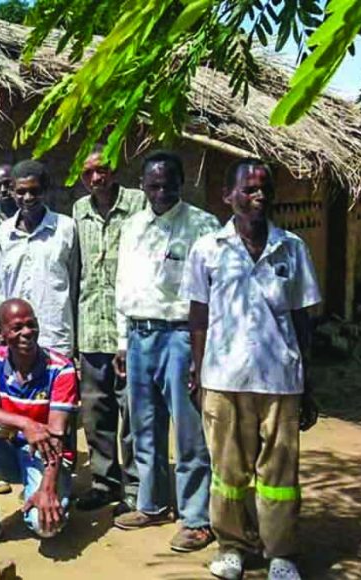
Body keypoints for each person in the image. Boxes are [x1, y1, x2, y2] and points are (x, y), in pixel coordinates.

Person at [182, 159, 321, 580]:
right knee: (228, 472)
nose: (259, 196)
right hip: (224, 378)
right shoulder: (207, 250)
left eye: (265, 189)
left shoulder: (292, 248)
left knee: (279, 474)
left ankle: (280, 552)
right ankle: (232, 546)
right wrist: (199, 372)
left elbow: (301, 319)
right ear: (229, 196)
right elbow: (198, 318)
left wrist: (307, 382)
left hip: (280, 379)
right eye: (248, 189)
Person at [112, 151, 218, 552]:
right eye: (152, 185)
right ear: (142, 185)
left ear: (181, 182)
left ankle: (196, 517)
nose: (160, 192)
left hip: (180, 337)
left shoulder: (202, 226)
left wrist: (200, 352)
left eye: (167, 184)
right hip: (139, 336)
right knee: (144, 427)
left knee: (189, 432)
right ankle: (152, 504)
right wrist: (124, 341)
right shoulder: (133, 226)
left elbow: (210, 297)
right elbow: (124, 285)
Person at [0, 299, 79, 556]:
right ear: (1, 334)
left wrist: (47, 489)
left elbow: (56, 437)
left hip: (47, 457)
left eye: (31, 325)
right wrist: (27, 424)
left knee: (46, 526)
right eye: (17, 328)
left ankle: (48, 489)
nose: (26, 333)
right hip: (10, 450)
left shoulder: (61, 368)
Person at [71, 145, 144, 512]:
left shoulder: (139, 205)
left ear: (114, 170)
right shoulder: (79, 210)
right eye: (88, 173)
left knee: (131, 410)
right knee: (95, 412)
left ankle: (134, 484)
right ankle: (103, 481)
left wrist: (127, 337)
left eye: (102, 170)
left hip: (128, 331)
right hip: (89, 329)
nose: (96, 178)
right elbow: (76, 272)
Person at [0, 160, 79, 357]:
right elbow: (1, 287)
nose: (28, 197)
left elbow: (75, 285)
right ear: (12, 191)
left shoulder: (65, 228)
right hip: (16, 339)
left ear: (45, 190)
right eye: (21, 192)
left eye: (35, 191)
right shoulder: (3, 232)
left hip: (55, 335)